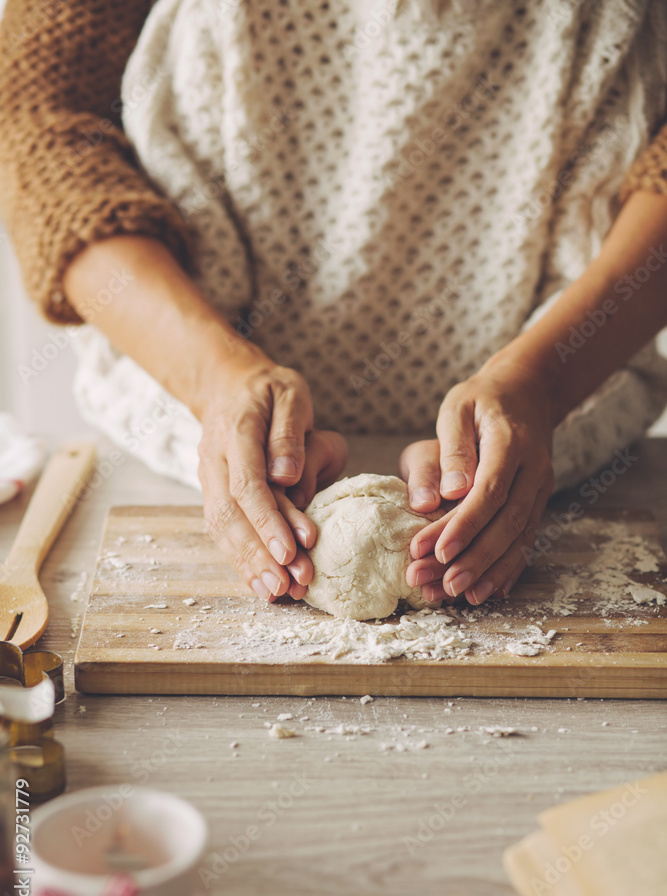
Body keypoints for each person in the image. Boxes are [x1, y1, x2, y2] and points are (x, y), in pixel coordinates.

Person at [2, 0, 667, 608]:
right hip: (184, 429)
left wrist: (545, 380)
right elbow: (35, 114)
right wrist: (210, 377)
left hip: (571, 420)